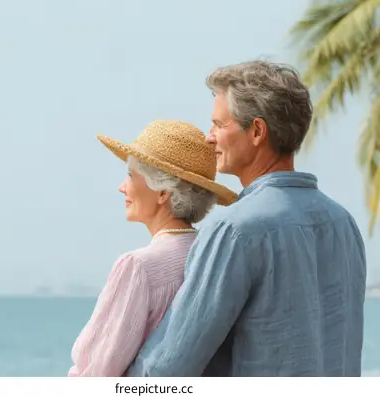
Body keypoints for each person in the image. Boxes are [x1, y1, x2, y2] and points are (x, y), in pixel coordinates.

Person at [124, 60, 367, 377]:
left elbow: (167, 366)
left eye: (218, 125)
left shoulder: (236, 230)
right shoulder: (344, 224)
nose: (209, 137)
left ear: (256, 131)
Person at [67, 119, 238, 376]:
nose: (122, 187)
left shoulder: (139, 267)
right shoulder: (216, 258)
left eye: (130, 175)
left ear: (162, 192)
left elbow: (97, 369)